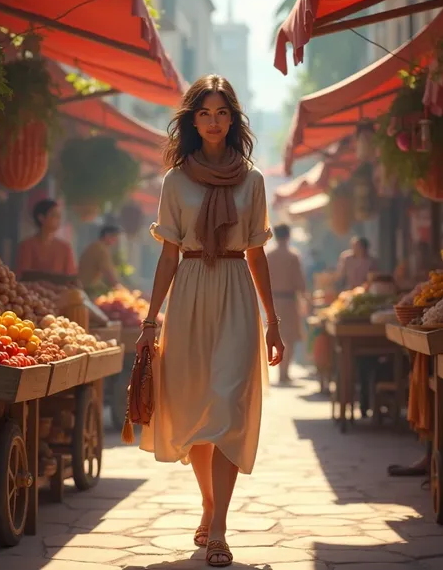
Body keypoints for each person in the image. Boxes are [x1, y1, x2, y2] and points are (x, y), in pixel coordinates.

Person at [136, 74, 284, 567]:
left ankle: (219, 527)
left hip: (237, 293)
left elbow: (258, 255)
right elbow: (168, 256)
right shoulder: (174, 182)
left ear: (233, 119)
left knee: (228, 405)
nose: (214, 121)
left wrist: (273, 319)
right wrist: (151, 317)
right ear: (192, 120)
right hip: (191, 293)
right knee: (198, 408)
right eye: (204, 113)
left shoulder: (254, 180)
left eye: (222, 112)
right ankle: (208, 502)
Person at [267, 224, 307, 384]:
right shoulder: (293, 256)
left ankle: (281, 371)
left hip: (273, 301)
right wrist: (305, 299)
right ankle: (284, 372)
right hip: (289, 301)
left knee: (277, 335)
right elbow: (300, 282)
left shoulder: (269, 256)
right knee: (289, 339)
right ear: (288, 236)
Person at [16, 199, 77, 278]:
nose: (59, 219)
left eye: (59, 216)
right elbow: (23, 276)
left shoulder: (65, 248)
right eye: (54, 215)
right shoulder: (27, 246)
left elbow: (71, 277)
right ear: (41, 218)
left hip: (60, 290)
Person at [78, 225, 121, 297]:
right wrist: (120, 289)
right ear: (107, 235)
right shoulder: (101, 249)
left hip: (81, 286)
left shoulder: (94, 246)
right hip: (88, 290)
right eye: (114, 237)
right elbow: (109, 273)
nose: (116, 241)